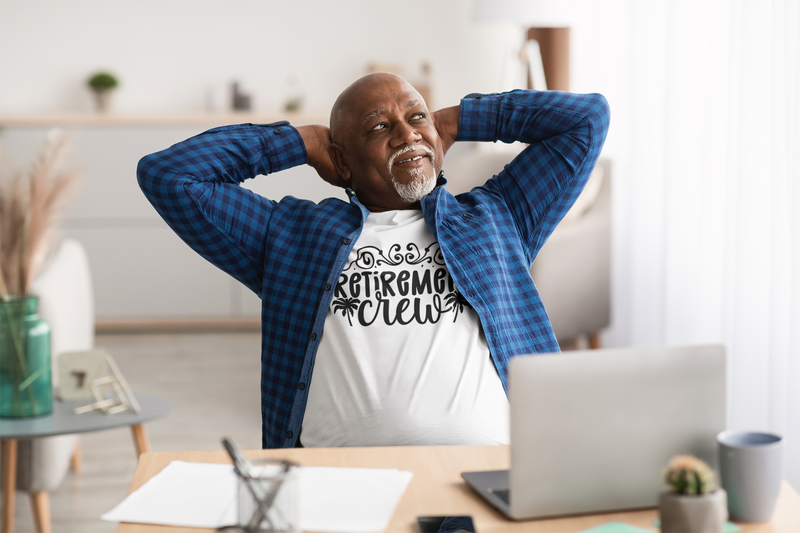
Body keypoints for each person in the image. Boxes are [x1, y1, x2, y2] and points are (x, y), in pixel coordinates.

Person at [137, 73, 610, 449]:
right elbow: (169, 175)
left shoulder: (495, 218)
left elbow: (587, 119)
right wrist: (300, 142)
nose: (407, 134)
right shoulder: (290, 236)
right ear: (342, 163)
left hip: (486, 479)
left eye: (415, 117)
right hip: (345, 490)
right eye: (380, 126)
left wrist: (454, 121)